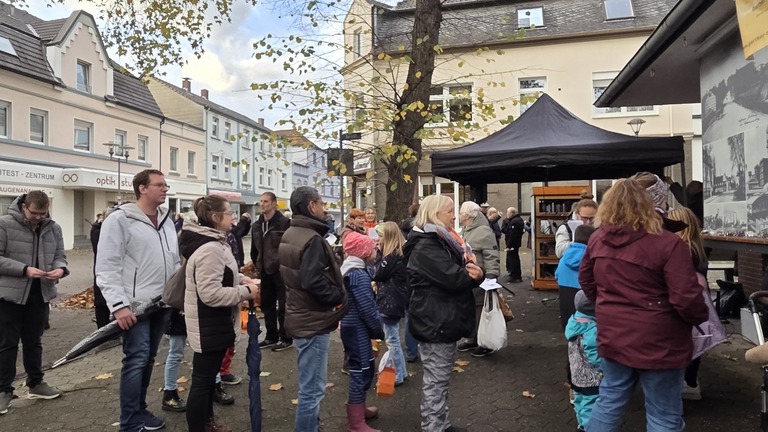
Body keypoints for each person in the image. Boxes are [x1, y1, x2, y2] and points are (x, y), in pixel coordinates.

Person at [579, 178, 708, 432]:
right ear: (650, 205)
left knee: (609, 401)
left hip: (614, 335)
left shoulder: (597, 239)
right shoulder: (669, 243)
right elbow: (686, 297)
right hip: (661, 341)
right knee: (663, 413)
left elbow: (586, 279)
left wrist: (608, 306)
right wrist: (698, 317)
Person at [96, 169, 179, 432]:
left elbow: (174, 261)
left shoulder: (166, 220)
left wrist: (176, 295)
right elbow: (107, 266)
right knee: (136, 358)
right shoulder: (120, 219)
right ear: (142, 188)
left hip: (162, 303)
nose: (165, 189)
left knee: (149, 357)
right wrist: (119, 306)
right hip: (134, 304)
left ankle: (140, 411)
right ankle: (129, 421)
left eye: (166, 185)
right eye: (160, 185)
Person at [180, 195, 259, 432]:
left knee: (206, 380)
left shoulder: (213, 241)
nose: (233, 217)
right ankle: (200, 427)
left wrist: (241, 279)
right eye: (229, 213)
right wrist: (246, 291)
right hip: (208, 324)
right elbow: (210, 294)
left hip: (212, 323)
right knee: (203, 383)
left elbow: (218, 276)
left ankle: (207, 424)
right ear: (216, 218)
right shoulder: (210, 248)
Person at [405, 195, 484, 432]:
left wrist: (474, 273)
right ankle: (433, 427)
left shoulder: (437, 241)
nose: (454, 216)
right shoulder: (427, 245)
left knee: (439, 379)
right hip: (435, 320)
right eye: (450, 211)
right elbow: (456, 278)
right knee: (436, 381)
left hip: (439, 318)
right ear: (435, 214)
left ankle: (441, 424)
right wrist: (475, 274)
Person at [279, 186, 348, 432]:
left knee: (310, 386)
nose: (324, 208)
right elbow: (312, 280)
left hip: (300, 315)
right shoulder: (311, 238)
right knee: (312, 389)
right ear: (311, 206)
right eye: (321, 203)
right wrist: (338, 296)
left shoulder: (292, 232)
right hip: (311, 321)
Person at [0, 191, 68, 415]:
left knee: (34, 341)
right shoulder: (4, 224)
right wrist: (24, 270)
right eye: (34, 213)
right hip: (9, 295)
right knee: (7, 344)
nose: (39, 217)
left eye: (43, 213)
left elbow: (60, 254)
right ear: (23, 207)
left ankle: (36, 383)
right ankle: (3, 391)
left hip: (40, 293)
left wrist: (60, 269)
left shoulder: (53, 228)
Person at [667, 207, 726, 401]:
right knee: (696, 340)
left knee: (684, 342)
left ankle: (684, 385)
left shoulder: (679, 249)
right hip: (700, 301)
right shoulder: (697, 247)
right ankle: (691, 383)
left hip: (684, 300)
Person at [340, 232, 385, 432]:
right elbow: (367, 307)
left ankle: (360, 408)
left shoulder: (354, 270)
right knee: (361, 370)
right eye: (374, 248)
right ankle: (356, 422)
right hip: (356, 328)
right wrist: (378, 330)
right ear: (364, 252)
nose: (377, 250)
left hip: (355, 327)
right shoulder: (357, 275)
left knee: (364, 367)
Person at [457, 201, 500, 358]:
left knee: (481, 311)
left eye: (461, 213)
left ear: (468, 215)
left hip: (482, 279)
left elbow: (491, 255)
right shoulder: (467, 230)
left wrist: (491, 276)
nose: (458, 215)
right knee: (471, 310)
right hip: (469, 280)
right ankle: (473, 338)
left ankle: (485, 343)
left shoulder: (483, 231)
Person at [251, 192, 292, 352]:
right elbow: (255, 250)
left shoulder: (284, 223)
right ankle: (271, 336)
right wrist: (258, 264)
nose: (262, 204)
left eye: (266, 201)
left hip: (280, 271)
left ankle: (286, 337)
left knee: (283, 305)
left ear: (274, 204)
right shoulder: (256, 225)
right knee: (267, 304)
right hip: (264, 270)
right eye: (261, 201)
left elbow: (288, 247)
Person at [372, 222, 410, 385]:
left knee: (392, 340)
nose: (378, 240)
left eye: (380, 236)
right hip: (394, 300)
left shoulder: (392, 256)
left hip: (390, 302)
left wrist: (379, 253)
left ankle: (398, 374)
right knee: (393, 338)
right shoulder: (399, 253)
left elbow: (379, 273)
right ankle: (402, 371)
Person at [565, 291, 601, 432]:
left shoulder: (573, 322)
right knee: (590, 404)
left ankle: (581, 423)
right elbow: (594, 353)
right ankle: (587, 427)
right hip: (591, 377)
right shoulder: (592, 329)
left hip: (576, 373)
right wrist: (604, 368)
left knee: (579, 401)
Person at [555, 224, 597, 330]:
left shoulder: (564, 259)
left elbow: (557, 275)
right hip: (586, 300)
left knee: (569, 327)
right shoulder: (592, 259)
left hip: (566, 295)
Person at [91, 208, 111, 329]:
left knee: (106, 300)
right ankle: (102, 326)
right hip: (102, 268)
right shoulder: (98, 230)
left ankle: (106, 325)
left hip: (107, 268)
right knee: (101, 301)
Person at [501, 207, 525, 283]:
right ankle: (516, 275)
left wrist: (509, 245)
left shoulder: (514, 222)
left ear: (512, 213)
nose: (507, 214)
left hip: (513, 244)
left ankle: (515, 276)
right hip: (516, 243)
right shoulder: (519, 220)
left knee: (513, 260)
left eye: (508, 213)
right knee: (515, 258)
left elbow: (512, 234)